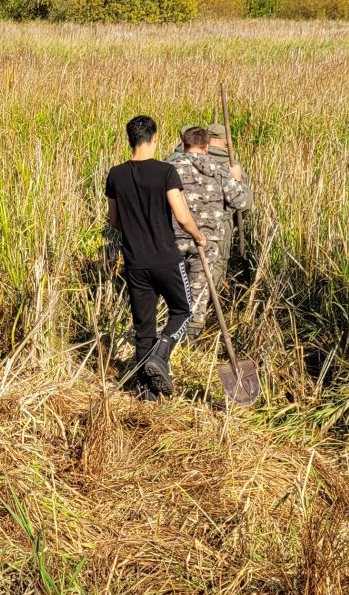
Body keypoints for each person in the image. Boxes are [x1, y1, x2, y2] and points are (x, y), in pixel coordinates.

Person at [105, 114, 208, 397]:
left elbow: (114, 220)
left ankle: (145, 394)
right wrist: (198, 236)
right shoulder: (165, 172)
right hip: (165, 258)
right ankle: (160, 355)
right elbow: (182, 215)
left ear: (129, 140)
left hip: (135, 261)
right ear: (155, 138)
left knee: (144, 327)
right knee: (183, 311)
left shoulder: (116, 174)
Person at [168, 124, 251, 303]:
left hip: (175, 233)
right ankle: (204, 314)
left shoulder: (170, 165)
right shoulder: (223, 167)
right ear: (224, 141)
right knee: (210, 274)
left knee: (176, 280)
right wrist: (238, 180)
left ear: (183, 143)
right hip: (213, 232)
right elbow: (243, 203)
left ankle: (175, 319)